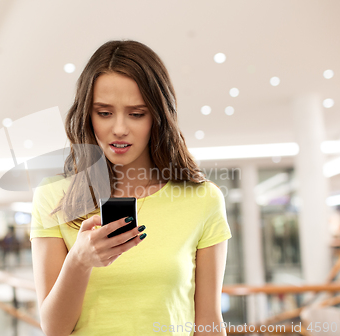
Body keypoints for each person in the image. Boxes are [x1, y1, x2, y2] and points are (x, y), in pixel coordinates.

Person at [30, 40, 232, 336]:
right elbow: (54, 329)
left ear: (158, 117)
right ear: (87, 115)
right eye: (104, 112)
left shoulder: (203, 199)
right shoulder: (52, 197)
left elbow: (208, 323)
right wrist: (79, 262)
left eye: (136, 113)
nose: (120, 128)